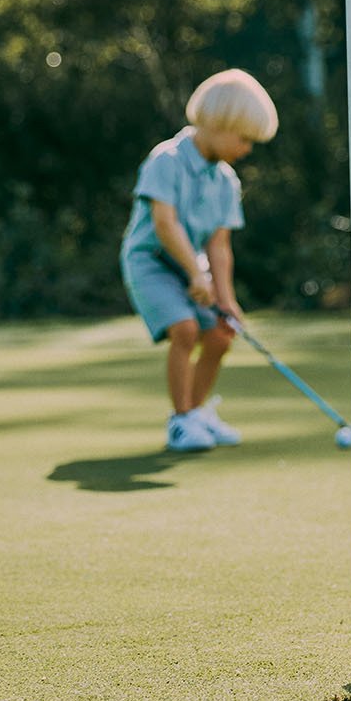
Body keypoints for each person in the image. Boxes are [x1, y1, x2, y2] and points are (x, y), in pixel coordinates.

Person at [120, 69, 278, 451]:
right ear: (220, 125)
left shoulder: (225, 180)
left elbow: (219, 245)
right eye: (244, 139)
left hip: (193, 269)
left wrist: (226, 299)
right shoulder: (166, 160)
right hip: (151, 262)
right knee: (186, 329)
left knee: (221, 334)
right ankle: (180, 421)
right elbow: (164, 223)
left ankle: (197, 412)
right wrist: (195, 273)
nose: (247, 149)